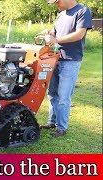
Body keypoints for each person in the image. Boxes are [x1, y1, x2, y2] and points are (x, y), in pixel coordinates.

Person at [40, 0, 93, 137]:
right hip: (55, 58)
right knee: (52, 93)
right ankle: (52, 122)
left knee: (63, 96)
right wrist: (49, 33)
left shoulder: (83, 11)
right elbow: (55, 32)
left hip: (70, 60)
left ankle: (61, 127)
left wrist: (56, 40)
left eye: (56, 2)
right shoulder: (61, 14)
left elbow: (79, 34)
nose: (56, 5)